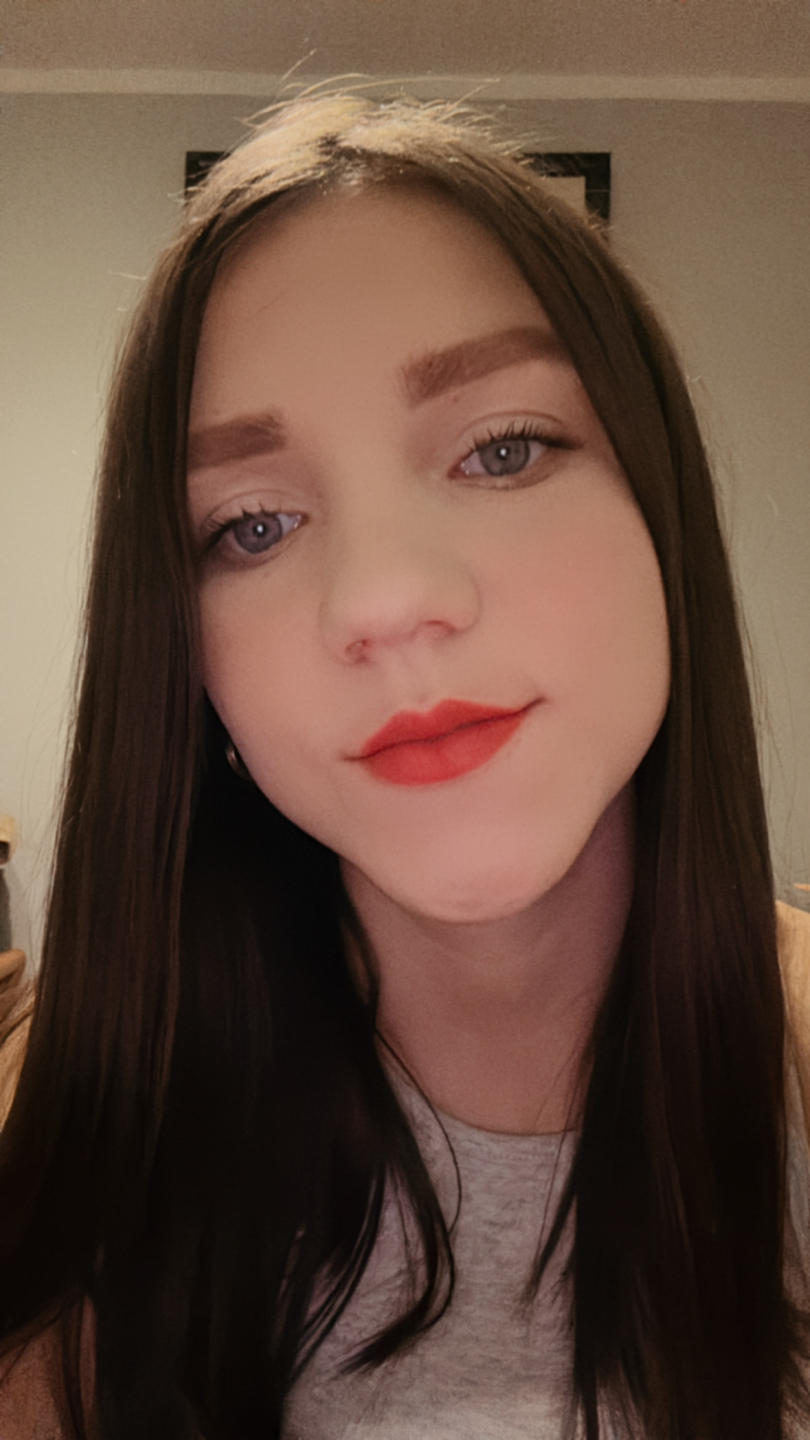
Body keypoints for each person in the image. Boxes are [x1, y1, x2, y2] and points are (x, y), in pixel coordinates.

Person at [0, 91, 807, 1440]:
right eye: (253, 525)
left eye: (503, 449)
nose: (381, 601)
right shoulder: (81, 1157)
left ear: (661, 510)